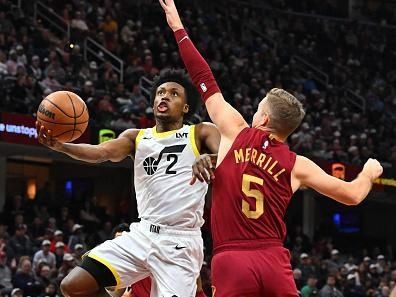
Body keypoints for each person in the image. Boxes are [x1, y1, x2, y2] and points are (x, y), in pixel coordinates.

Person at [159, 1, 383, 296]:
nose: (254, 112)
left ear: (263, 118)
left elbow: (203, 78)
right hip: (274, 261)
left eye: (258, 108)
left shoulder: (235, 130)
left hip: (233, 259)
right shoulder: (297, 164)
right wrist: (368, 173)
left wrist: (178, 28)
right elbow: (353, 195)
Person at [36, 68, 220, 297]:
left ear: (185, 107)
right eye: (160, 92)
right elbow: (100, 152)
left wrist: (211, 158)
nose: (164, 96)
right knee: (73, 286)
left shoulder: (201, 132)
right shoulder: (137, 137)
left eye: (174, 94)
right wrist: (62, 147)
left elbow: (234, 158)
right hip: (142, 234)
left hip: (179, 242)